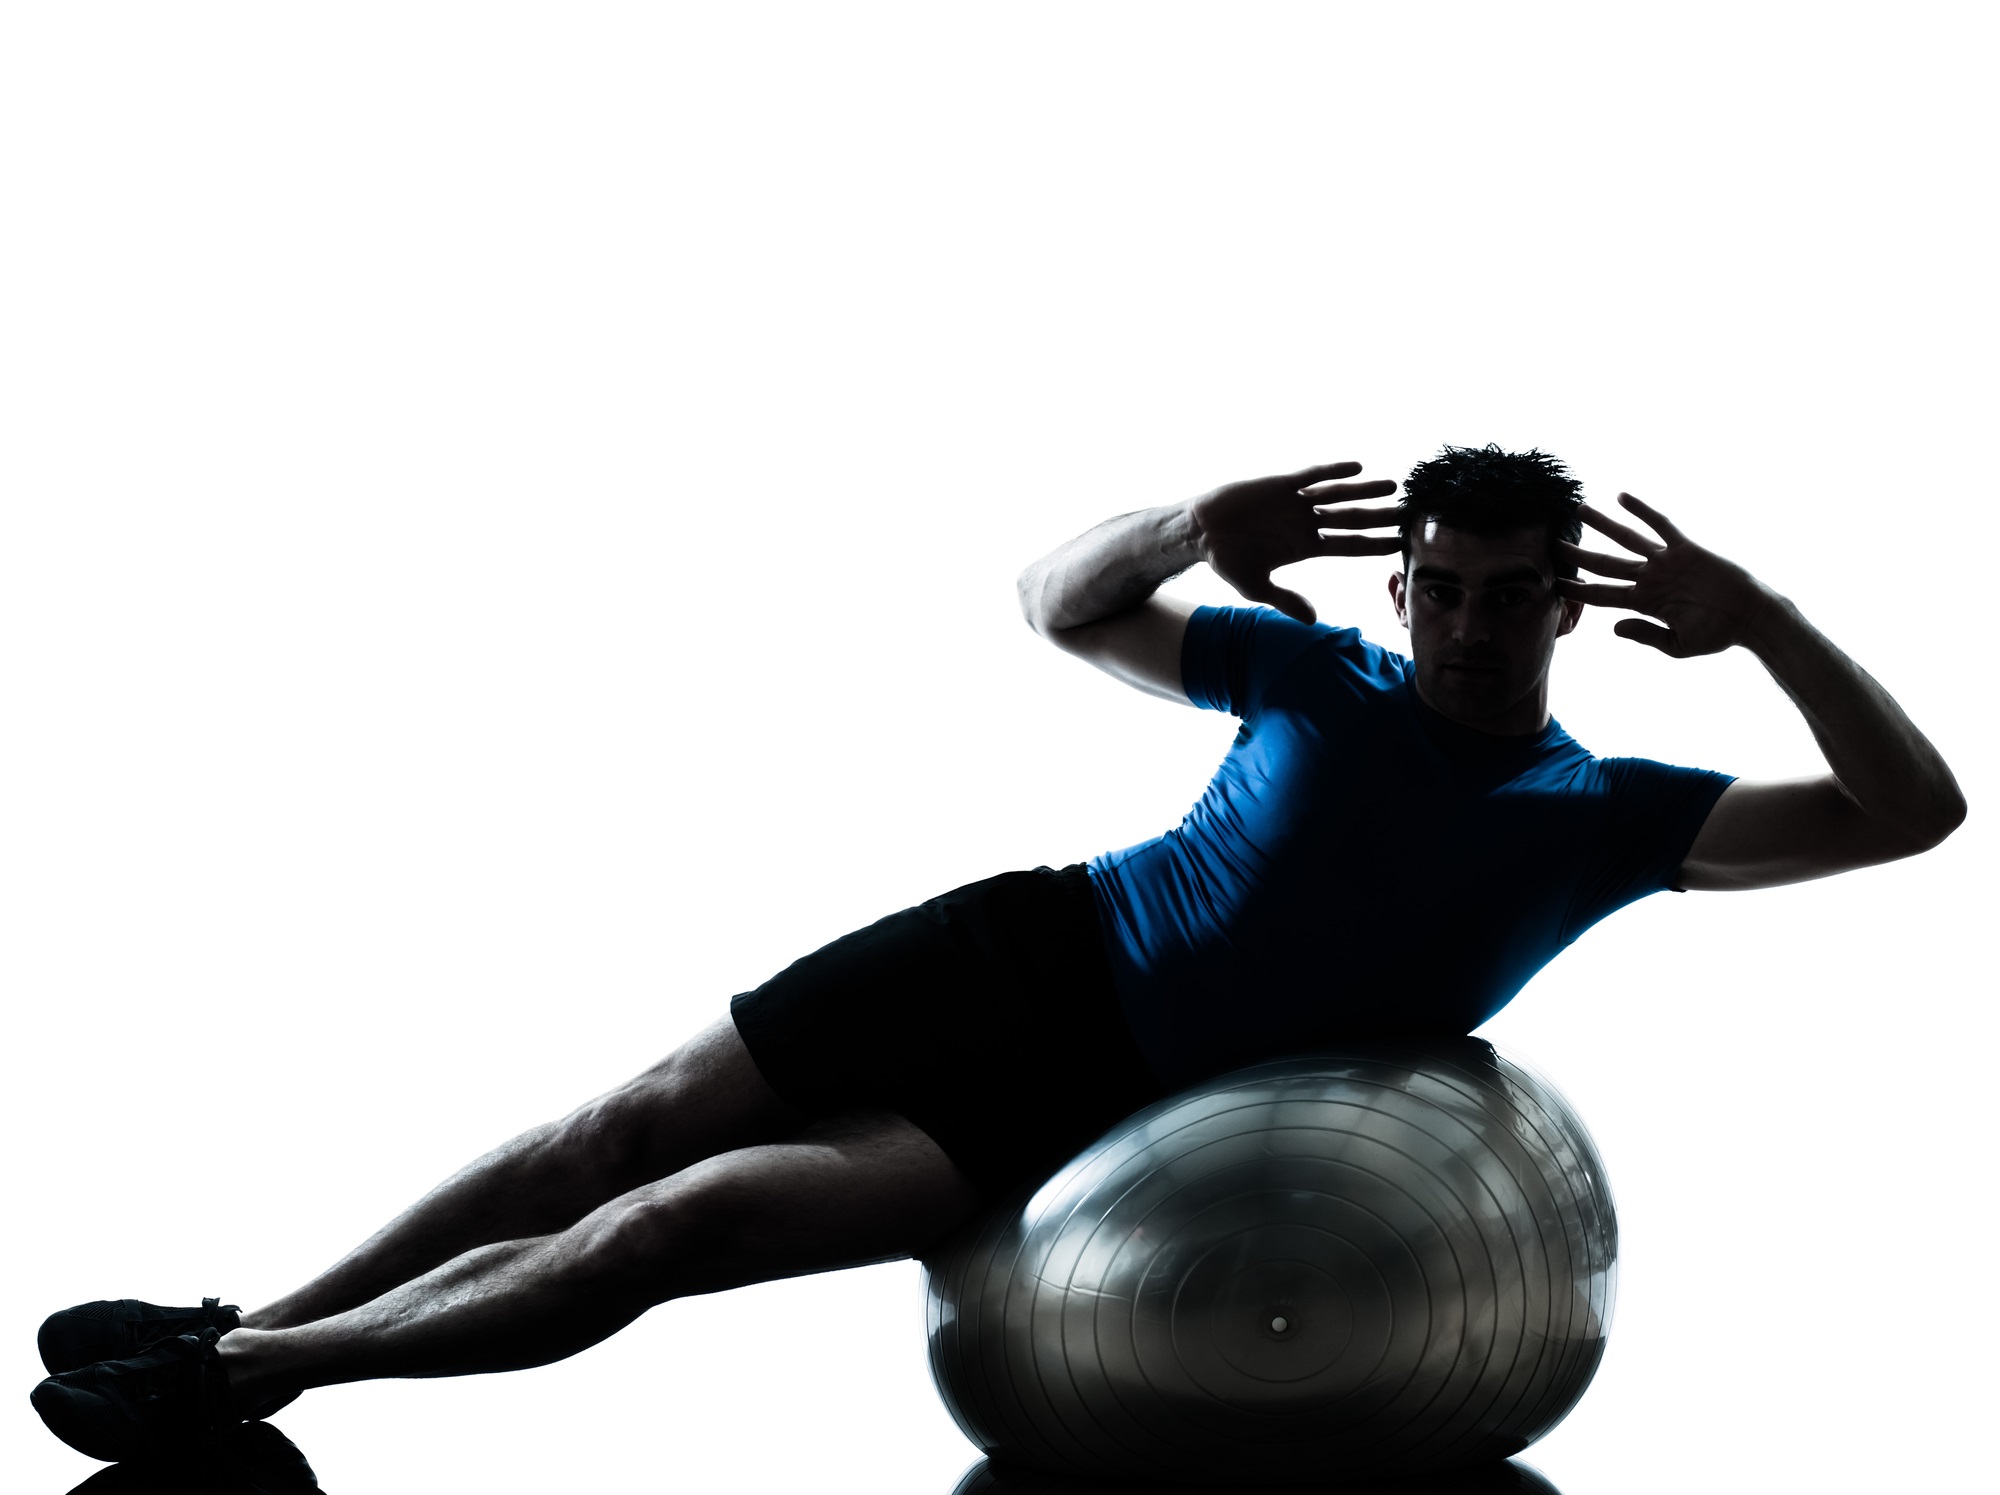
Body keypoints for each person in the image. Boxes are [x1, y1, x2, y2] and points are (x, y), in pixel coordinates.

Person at [33, 446, 1966, 1464]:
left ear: (1570, 606)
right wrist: (1188, 517)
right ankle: (238, 1337)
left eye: (1507, 598)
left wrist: (1778, 621)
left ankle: (258, 1377)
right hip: (1018, 945)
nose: (1467, 625)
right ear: (1402, 586)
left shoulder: (1612, 814)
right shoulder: (1309, 668)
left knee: (661, 1235)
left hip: (1091, 1106)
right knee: (604, 1134)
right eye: (1439, 589)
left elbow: (1914, 813)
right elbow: (1059, 605)